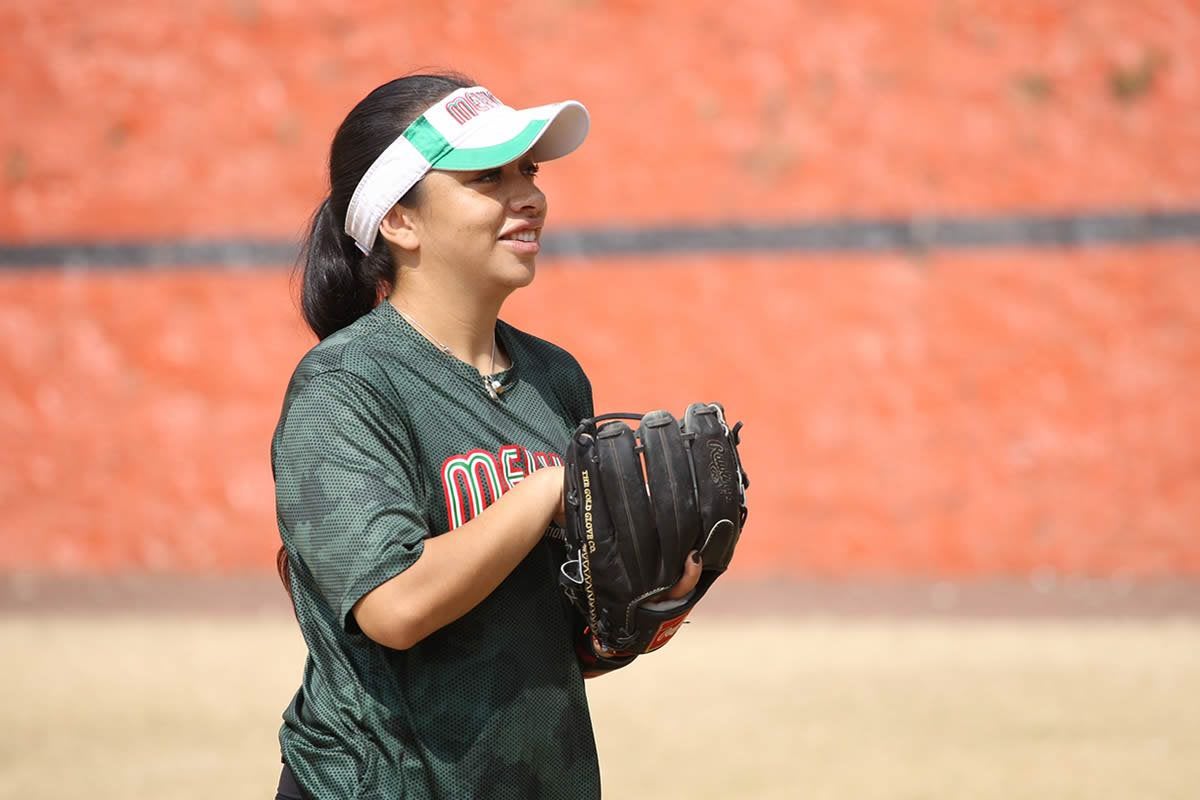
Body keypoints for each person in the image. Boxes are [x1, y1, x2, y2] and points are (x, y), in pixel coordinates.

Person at [270, 73, 701, 800]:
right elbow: (396, 607)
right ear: (400, 222)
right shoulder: (346, 384)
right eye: (487, 177)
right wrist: (548, 491)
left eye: (528, 170)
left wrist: (648, 609)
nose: (527, 194)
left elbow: (553, 637)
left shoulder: (554, 378)